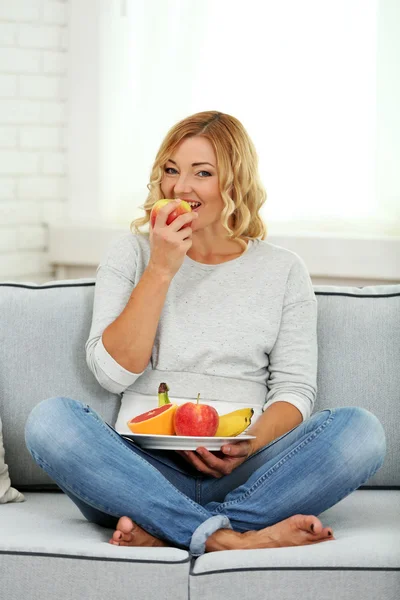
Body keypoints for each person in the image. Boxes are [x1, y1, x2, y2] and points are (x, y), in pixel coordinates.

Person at [24, 111, 386, 556]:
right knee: (51, 422)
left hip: (249, 471)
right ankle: (230, 538)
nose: (181, 187)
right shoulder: (131, 255)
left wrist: (249, 443)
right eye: (172, 171)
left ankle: (172, 529)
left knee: (360, 431)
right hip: (140, 473)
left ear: (234, 183)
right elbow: (112, 375)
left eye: (203, 173)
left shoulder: (283, 270)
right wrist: (160, 269)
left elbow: (294, 390)